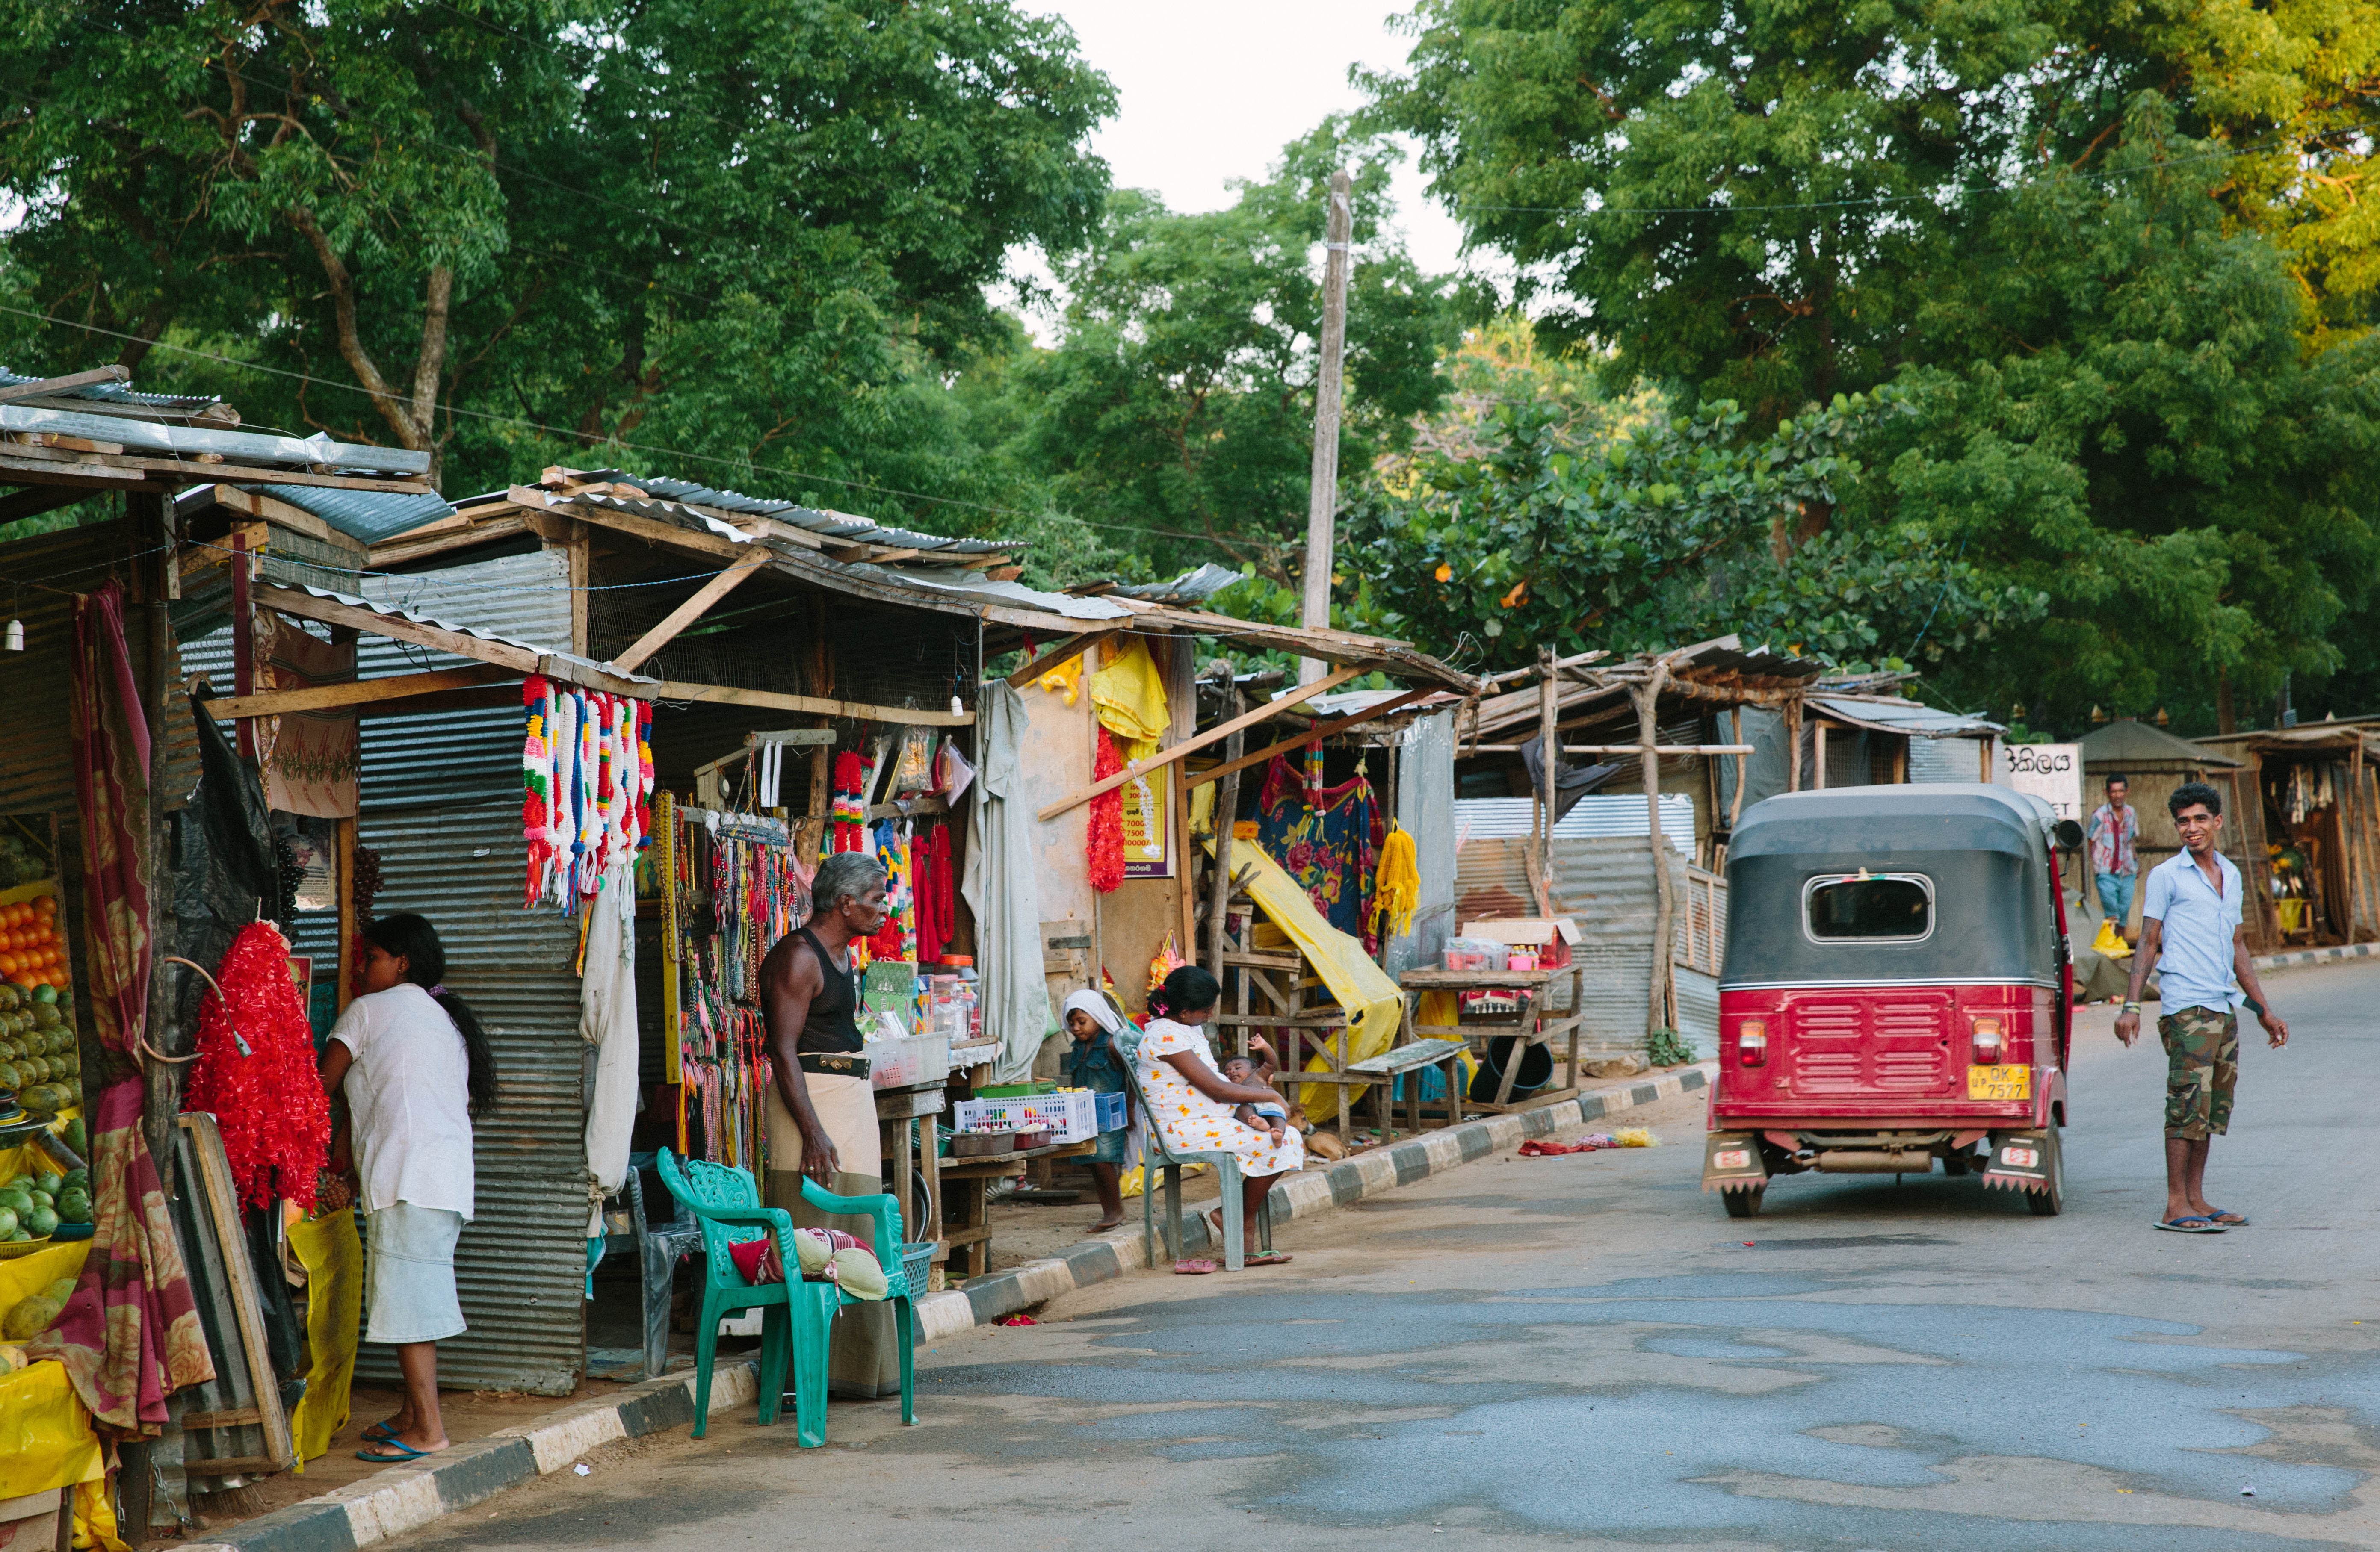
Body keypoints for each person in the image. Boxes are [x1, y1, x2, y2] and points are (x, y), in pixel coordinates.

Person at [320, 914, 497, 1463]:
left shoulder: (368, 1012)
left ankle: (429, 1430)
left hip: (407, 1180)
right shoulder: (442, 1020)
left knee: (409, 1306)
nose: (361, 970)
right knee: (414, 1297)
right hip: (441, 1181)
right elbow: (381, 1095)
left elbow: (318, 1087)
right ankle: (412, 1414)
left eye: (371, 958)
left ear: (402, 963)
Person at [2114, 781, 2289, 1233]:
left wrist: (2263, 1009)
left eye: (2198, 819)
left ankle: (2196, 1197)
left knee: (2212, 1108)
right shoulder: (2167, 876)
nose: (2190, 829)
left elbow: (2238, 947)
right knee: (2186, 1104)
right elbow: (2148, 942)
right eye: (2183, 822)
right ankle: (2175, 1204)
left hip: (2223, 1005)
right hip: (2185, 1006)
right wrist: (2131, 1005)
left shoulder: (2230, 875)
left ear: (2217, 822)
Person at [758, 850, 901, 1399]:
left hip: (845, 1100)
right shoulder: (800, 957)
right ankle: (809, 1375)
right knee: (814, 1228)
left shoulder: (841, 957)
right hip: (812, 1105)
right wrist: (814, 1132)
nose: (882, 910)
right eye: (875, 900)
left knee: (858, 1229)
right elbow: (783, 1052)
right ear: (845, 904)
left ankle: (859, 1373)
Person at [1134, 966, 1300, 1270]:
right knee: (1280, 1140)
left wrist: (1257, 1089)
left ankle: (1239, 1221)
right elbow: (1216, 1088)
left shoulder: (1186, 1027)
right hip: (1180, 1130)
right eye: (1207, 1010)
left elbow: (1218, 1086)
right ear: (1184, 1012)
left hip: (1206, 1119)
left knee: (1286, 1136)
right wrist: (1271, 1096)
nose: (1210, 1015)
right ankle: (1238, 1220)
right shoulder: (1164, 1036)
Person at [1058, 989, 1135, 1231]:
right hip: (1084, 1113)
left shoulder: (1112, 1044)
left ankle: (1115, 1211)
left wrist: (1131, 1111)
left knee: (1104, 1160)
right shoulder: (1078, 1049)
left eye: (1082, 1022)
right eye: (1072, 1023)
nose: (1077, 1028)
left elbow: (1133, 1078)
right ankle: (1110, 1210)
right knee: (1093, 1161)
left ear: (1098, 1017)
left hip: (1112, 1114)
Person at [2088, 774, 2143, 946]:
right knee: (2111, 911)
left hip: (2128, 870)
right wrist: (2096, 864)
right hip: (2106, 871)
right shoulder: (2099, 815)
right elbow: (2090, 841)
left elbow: (2131, 840)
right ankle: (2109, 948)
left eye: (2121, 791)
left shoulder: (2130, 813)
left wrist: (2136, 861)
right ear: (2107, 793)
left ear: (2127, 791)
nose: (2118, 795)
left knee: (2124, 911)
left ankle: (2119, 945)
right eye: (2114, 792)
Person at [1221, 1043, 1289, 1143]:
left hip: (1266, 1104)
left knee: (1277, 1115)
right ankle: (1259, 1123)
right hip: (1249, 1108)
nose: (1231, 1072)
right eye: (1227, 1073)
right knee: (1241, 1110)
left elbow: (1272, 1063)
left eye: (1238, 1068)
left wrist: (1266, 1047)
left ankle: (1279, 1134)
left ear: (1255, 1070)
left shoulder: (1257, 1076)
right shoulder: (1230, 1086)